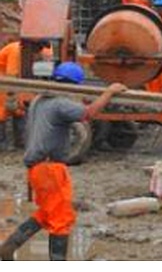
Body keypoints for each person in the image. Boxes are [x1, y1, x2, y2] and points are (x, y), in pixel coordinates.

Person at [0, 63, 126, 261]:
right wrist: (109, 92)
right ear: (73, 85)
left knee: (47, 214)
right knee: (61, 219)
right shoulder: (60, 103)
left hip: (37, 168)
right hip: (50, 168)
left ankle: (8, 248)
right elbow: (89, 113)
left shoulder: (40, 99)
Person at [0, 40, 50, 150]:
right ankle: (2, 143)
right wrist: (12, 96)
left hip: (12, 80)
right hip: (3, 79)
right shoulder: (16, 52)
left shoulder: (28, 51)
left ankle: (20, 141)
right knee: (2, 111)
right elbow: (11, 76)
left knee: (20, 111)